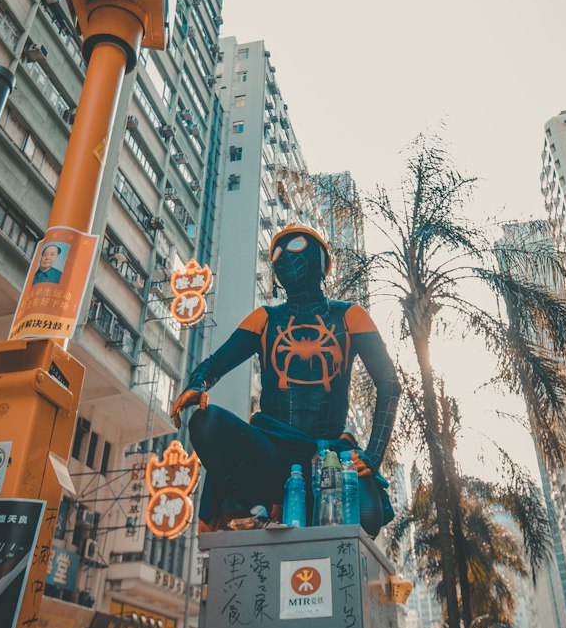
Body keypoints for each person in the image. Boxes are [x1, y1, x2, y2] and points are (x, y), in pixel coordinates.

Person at [170, 225, 400, 535]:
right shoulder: (265, 319)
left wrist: (373, 454)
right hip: (270, 451)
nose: (284, 258)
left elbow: (388, 382)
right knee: (205, 422)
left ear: (319, 259)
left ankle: (276, 504)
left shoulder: (350, 316)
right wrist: (198, 384)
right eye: (276, 254)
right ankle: (263, 505)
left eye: (295, 248)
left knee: (368, 515)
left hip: (327, 455)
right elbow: (216, 363)